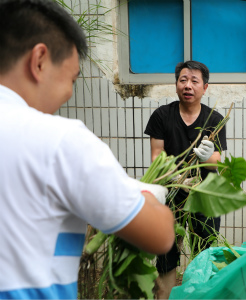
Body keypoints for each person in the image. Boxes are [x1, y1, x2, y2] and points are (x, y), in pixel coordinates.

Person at [0, 1, 174, 298]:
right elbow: (160, 235)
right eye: (71, 79)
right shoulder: (59, 140)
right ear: (39, 60)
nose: (68, 93)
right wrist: (145, 195)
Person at [144, 60, 227, 299]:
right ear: (176, 84)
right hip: (171, 193)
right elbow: (156, 156)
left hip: (205, 195)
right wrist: (175, 175)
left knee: (204, 254)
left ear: (205, 87)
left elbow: (217, 160)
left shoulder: (215, 119)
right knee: (167, 255)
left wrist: (207, 156)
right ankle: (165, 295)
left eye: (194, 81)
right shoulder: (162, 116)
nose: (188, 85)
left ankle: (199, 295)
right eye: (183, 80)